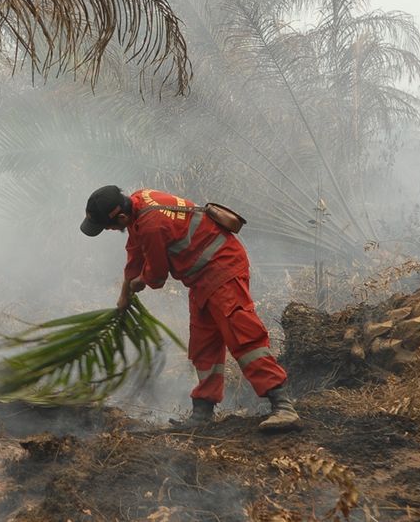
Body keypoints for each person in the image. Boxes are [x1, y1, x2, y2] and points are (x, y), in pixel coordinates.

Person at [79, 185, 301, 432]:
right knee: (203, 343)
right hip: (201, 277)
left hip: (222, 267)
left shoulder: (151, 224)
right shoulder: (138, 202)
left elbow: (157, 275)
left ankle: (283, 406)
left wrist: (139, 283)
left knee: (243, 337)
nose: (110, 231)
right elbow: (135, 256)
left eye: (108, 227)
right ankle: (202, 414)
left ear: (120, 217)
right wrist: (123, 296)